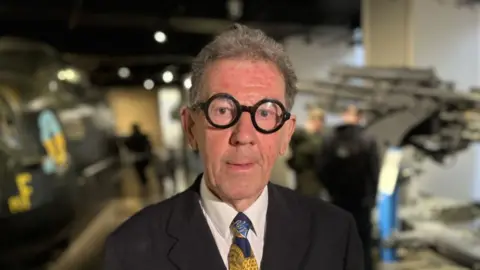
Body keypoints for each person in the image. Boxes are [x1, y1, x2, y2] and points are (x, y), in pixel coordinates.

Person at [104, 24, 364, 270]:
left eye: (265, 112)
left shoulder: (335, 234)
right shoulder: (131, 249)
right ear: (190, 127)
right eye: (223, 110)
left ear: (286, 133)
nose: (243, 135)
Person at [316, 105, 380, 270]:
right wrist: (371, 197)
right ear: (360, 117)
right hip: (360, 201)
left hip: (337, 199)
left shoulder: (331, 138)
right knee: (361, 243)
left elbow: (322, 169)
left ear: (344, 116)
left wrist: (331, 190)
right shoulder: (369, 139)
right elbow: (374, 172)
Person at [288, 107, 326, 198]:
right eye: (315, 119)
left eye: (320, 120)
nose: (319, 123)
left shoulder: (320, 138)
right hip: (303, 175)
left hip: (315, 178)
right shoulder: (301, 135)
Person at [124, 123, 153, 191]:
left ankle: (143, 183)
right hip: (144, 156)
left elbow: (127, 146)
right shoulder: (144, 136)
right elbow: (149, 146)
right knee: (144, 170)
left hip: (136, 156)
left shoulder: (130, 138)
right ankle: (145, 182)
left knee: (139, 171)